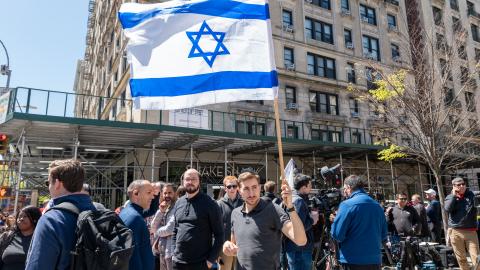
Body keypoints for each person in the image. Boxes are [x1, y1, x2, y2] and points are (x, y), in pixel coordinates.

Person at [222, 171, 307, 270]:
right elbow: (234, 247)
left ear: (259, 187)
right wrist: (226, 247)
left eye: (254, 187)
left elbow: (301, 240)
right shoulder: (235, 213)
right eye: (246, 189)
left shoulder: (273, 209)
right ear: (239, 191)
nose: (251, 193)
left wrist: (290, 207)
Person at [26, 159, 96, 270]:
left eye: (48, 182)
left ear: (58, 183)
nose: (48, 187)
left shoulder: (51, 220)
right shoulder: (100, 211)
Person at [331, 175, 387, 270]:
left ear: (349, 187)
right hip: (374, 260)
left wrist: (334, 222)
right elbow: (383, 235)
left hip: (352, 260)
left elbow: (337, 235)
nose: (344, 191)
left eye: (344, 188)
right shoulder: (377, 206)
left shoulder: (346, 205)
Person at [172, 169, 224, 270]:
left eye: (193, 179)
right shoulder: (178, 203)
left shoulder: (210, 204)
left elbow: (219, 235)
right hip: (178, 263)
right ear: (183, 182)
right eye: (187, 179)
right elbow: (175, 230)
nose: (190, 182)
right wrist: (173, 252)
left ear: (199, 181)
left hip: (200, 263)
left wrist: (210, 260)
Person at [120, 179, 160, 270]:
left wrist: (156, 193)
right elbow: (133, 256)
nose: (152, 197)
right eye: (149, 192)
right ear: (136, 193)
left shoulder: (130, 211)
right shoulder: (135, 218)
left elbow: (152, 210)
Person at [444, 177, 479, 270]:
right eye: (459, 185)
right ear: (454, 186)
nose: (462, 186)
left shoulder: (471, 195)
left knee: (476, 257)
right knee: (461, 259)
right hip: (456, 231)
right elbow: (447, 209)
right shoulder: (450, 197)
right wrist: (454, 196)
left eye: (463, 184)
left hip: (471, 231)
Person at [285, 174, 318, 270]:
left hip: (296, 248)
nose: (311, 188)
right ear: (304, 187)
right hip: (300, 249)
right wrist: (313, 220)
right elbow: (299, 227)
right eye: (310, 186)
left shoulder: (294, 199)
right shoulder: (298, 201)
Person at [216, 176, 243, 270]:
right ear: (225, 188)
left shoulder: (244, 203)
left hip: (240, 247)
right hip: (224, 247)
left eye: (234, 186)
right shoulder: (219, 204)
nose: (232, 188)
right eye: (229, 186)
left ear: (238, 187)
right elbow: (215, 228)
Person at [151, 183, 177, 270]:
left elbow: (169, 230)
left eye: (170, 193)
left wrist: (157, 231)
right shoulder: (164, 207)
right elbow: (152, 227)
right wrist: (161, 211)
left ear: (175, 193)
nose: (167, 195)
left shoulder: (178, 207)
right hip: (162, 252)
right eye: (165, 193)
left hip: (172, 253)